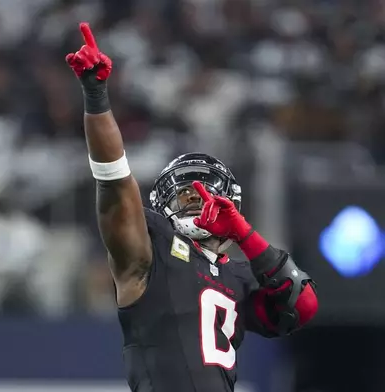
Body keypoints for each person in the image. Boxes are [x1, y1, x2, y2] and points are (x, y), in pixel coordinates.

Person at [65, 23, 319, 392]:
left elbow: (303, 306)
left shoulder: (240, 276)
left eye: (206, 195)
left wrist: (245, 235)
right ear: (161, 204)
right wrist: (96, 97)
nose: (197, 202)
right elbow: (115, 181)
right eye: (185, 196)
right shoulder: (154, 248)